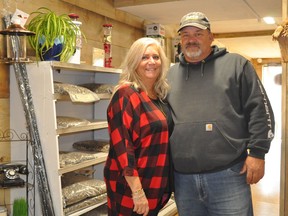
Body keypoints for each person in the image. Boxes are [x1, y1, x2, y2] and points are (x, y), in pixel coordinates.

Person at [167, 11, 275, 216]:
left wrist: (258, 153)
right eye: (185, 35)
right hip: (184, 179)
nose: (191, 40)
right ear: (180, 40)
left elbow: (260, 109)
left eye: (198, 33)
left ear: (211, 36)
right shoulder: (170, 74)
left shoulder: (237, 65)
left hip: (229, 175)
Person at [104, 37, 174, 216]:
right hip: (132, 187)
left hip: (155, 183)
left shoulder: (159, 95)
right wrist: (137, 191)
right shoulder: (126, 94)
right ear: (134, 62)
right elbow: (123, 149)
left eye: (156, 57)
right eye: (144, 57)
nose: (151, 62)